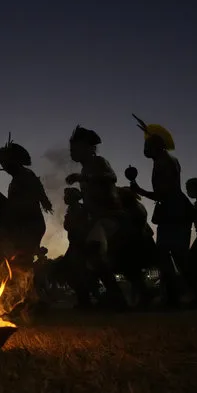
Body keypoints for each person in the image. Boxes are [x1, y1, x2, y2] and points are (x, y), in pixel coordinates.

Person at [130, 116, 197, 308]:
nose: (145, 149)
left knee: (174, 255)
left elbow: (164, 192)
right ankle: (179, 294)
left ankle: (188, 294)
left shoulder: (164, 162)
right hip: (173, 209)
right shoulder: (165, 160)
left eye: (148, 145)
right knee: (172, 255)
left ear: (156, 146)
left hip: (174, 209)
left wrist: (140, 192)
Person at [0, 135, 53, 317]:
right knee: (17, 265)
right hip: (26, 226)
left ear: (14, 161)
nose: (3, 166)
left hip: (28, 226)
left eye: (4, 161)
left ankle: (29, 304)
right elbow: (16, 205)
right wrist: (0, 200)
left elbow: (22, 206)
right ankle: (32, 302)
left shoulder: (24, 177)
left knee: (19, 264)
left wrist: (0, 202)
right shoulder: (21, 178)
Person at [66, 125, 127, 309]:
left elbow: (111, 177)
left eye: (75, 148)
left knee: (94, 250)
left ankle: (117, 298)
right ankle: (87, 299)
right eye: (71, 149)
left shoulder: (98, 162)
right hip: (96, 220)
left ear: (88, 148)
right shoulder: (85, 171)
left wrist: (84, 178)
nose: (72, 152)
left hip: (111, 217)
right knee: (72, 260)